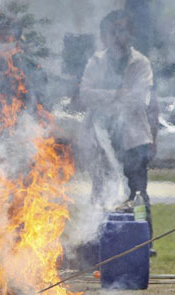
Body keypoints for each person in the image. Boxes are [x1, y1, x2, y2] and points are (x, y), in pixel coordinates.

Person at [79, 10, 157, 255]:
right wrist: (115, 94)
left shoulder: (140, 63)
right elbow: (85, 94)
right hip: (102, 139)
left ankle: (144, 242)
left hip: (133, 138)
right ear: (103, 36)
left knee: (137, 193)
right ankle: (99, 242)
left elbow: (137, 99)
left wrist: (108, 97)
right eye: (111, 31)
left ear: (130, 33)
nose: (116, 36)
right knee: (101, 191)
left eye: (121, 30)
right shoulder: (96, 61)